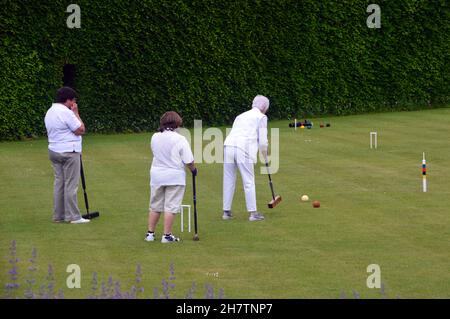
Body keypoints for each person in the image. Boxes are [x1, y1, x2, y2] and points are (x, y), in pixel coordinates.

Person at [145, 111, 197, 243]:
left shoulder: (155, 136)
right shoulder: (180, 139)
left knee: (155, 205)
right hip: (174, 176)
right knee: (171, 206)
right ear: (176, 124)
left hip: (157, 175)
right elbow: (188, 160)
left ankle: (150, 234)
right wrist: (193, 170)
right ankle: (167, 235)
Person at [44, 87, 89, 224]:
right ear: (68, 100)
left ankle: (59, 216)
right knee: (71, 184)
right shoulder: (67, 112)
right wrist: (76, 113)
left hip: (54, 150)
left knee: (59, 183)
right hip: (69, 151)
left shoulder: (50, 112)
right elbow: (80, 130)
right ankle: (73, 217)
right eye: (73, 100)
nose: (73, 103)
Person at [222, 95, 269, 221]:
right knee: (248, 180)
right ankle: (253, 214)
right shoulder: (262, 117)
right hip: (244, 148)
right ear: (264, 107)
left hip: (228, 146)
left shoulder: (240, 116)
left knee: (229, 178)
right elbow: (263, 141)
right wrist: (265, 155)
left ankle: (226, 212)